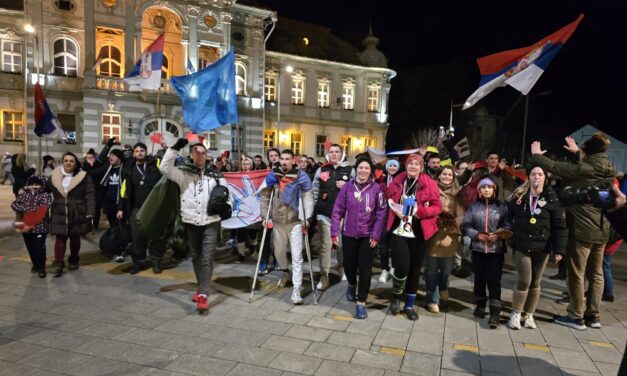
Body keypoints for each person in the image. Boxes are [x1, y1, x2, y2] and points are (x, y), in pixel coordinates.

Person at [530, 134, 616, 330]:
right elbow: (591, 164)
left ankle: (576, 315)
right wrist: (579, 151)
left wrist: (536, 155)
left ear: (587, 152)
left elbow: (556, 167)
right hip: (602, 229)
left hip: (581, 230)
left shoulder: (582, 169)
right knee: (596, 274)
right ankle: (593, 316)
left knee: (576, 273)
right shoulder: (608, 168)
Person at [160, 138, 233, 314]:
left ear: (207, 156)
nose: (200, 155)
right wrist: (175, 148)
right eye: (196, 152)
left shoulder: (216, 175)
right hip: (191, 221)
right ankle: (202, 287)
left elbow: (228, 195)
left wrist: (228, 207)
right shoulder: (183, 175)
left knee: (207, 258)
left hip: (211, 222)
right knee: (196, 256)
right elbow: (164, 168)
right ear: (191, 155)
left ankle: (203, 294)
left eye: (203, 152)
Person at [507, 165, 567, 330]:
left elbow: (560, 226)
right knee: (524, 280)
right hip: (522, 245)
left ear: (545, 178)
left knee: (535, 281)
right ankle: (516, 313)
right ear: (528, 177)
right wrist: (509, 233)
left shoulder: (552, 198)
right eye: (533, 174)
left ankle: (529, 314)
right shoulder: (519, 196)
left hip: (543, 247)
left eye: (540, 174)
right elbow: (508, 217)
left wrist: (559, 250)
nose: (536, 177)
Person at [386, 154, 441, 320]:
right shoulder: (397, 181)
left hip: (420, 230)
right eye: (410, 163)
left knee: (415, 269)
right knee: (402, 266)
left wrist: (421, 212)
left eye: (417, 164)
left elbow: (438, 207)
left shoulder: (429, 183)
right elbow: (388, 198)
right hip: (400, 228)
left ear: (421, 167)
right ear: (406, 165)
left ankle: (409, 305)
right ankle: (396, 296)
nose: (413, 166)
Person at [331, 157, 387, 319]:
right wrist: (334, 232)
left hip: (368, 236)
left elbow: (381, 214)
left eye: (366, 168)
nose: (363, 171)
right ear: (356, 169)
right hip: (349, 234)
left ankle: (361, 302)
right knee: (349, 265)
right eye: (361, 168)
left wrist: (376, 234)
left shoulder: (377, 189)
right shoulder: (347, 188)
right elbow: (337, 210)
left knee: (365, 268)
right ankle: (351, 284)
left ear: (370, 171)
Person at [260, 149, 314, 304]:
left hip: (295, 221)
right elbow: (264, 196)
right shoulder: (273, 176)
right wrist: (265, 216)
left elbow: (308, 197)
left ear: (293, 161)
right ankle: (284, 271)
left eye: (287, 159)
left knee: (297, 255)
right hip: (277, 220)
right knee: (279, 252)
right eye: (282, 159)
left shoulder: (301, 176)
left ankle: (297, 289)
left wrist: (307, 218)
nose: (283, 162)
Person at [463, 175, 510, 328]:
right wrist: (477, 235)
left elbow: (509, 226)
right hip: (477, 249)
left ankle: (495, 311)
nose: (486, 190)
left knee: (494, 281)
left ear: (494, 189)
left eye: (489, 187)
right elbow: (466, 226)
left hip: (496, 251)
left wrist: (499, 234)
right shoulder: (473, 206)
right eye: (483, 187)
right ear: (479, 190)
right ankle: (480, 304)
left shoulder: (502, 207)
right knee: (479, 279)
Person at [312, 144, 354, 290]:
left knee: (342, 246)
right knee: (325, 246)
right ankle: (324, 276)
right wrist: (313, 211)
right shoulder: (321, 169)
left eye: (337, 152)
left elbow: (358, 191)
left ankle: (343, 268)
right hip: (325, 215)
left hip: (344, 215)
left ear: (342, 154)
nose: (334, 154)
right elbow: (314, 191)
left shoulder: (350, 170)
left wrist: (348, 185)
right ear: (328, 154)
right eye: (331, 152)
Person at [118, 142, 164, 274]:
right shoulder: (129, 168)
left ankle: (156, 261)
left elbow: (167, 171)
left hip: (154, 207)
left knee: (156, 236)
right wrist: (121, 208)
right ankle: (139, 262)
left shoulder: (156, 164)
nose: (139, 153)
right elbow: (124, 190)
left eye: (142, 150)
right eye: (137, 151)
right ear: (134, 153)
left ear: (146, 152)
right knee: (137, 237)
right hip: (136, 208)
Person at [48, 152, 96, 277]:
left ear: (76, 163)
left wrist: (90, 211)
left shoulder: (83, 176)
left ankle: (74, 259)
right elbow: (46, 191)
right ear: (62, 162)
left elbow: (90, 194)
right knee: (60, 238)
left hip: (77, 210)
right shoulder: (54, 176)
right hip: (59, 210)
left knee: (75, 237)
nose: (68, 163)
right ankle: (58, 263)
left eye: (71, 161)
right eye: (66, 160)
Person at [425, 166, 465, 313]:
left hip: (449, 236)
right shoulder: (431, 190)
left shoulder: (458, 193)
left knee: (446, 270)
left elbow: (461, 214)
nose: (447, 177)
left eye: (449, 175)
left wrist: (453, 224)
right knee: (431, 270)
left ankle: (443, 287)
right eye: (444, 174)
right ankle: (432, 299)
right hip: (433, 234)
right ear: (439, 176)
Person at [11, 175, 53, 278]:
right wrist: (26, 208)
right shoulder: (24, 194)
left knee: (40, 247)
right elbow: (14, 204)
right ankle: (35, 264)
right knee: (30, 247)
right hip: (25, 226)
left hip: (41, 227)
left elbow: (43, 209)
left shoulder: (45, 196)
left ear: (42, 185)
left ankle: (41, 268)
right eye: (32, 184)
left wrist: (27, 208)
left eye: (37, 184)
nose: (34, 186)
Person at [256, 147, 282, 274]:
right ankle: (264, 262)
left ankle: (278, 260)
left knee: (280, 238)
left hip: (282, 212)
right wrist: (265, 216)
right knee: (266, 238)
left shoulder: (286, 172)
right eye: (271, 156)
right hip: (270, 212)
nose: (273, 157)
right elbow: (264, 198)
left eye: (275, 155)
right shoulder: (268, 175)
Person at [377, 158, 400, 282]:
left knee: (396, 244)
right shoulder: (381, 180)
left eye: (394, 165)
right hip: (384, 217)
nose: (392, 167)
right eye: (390, 165)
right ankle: (384, 268)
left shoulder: (402, 180)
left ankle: (394, 266)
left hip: (397, 216)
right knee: (383, 244)